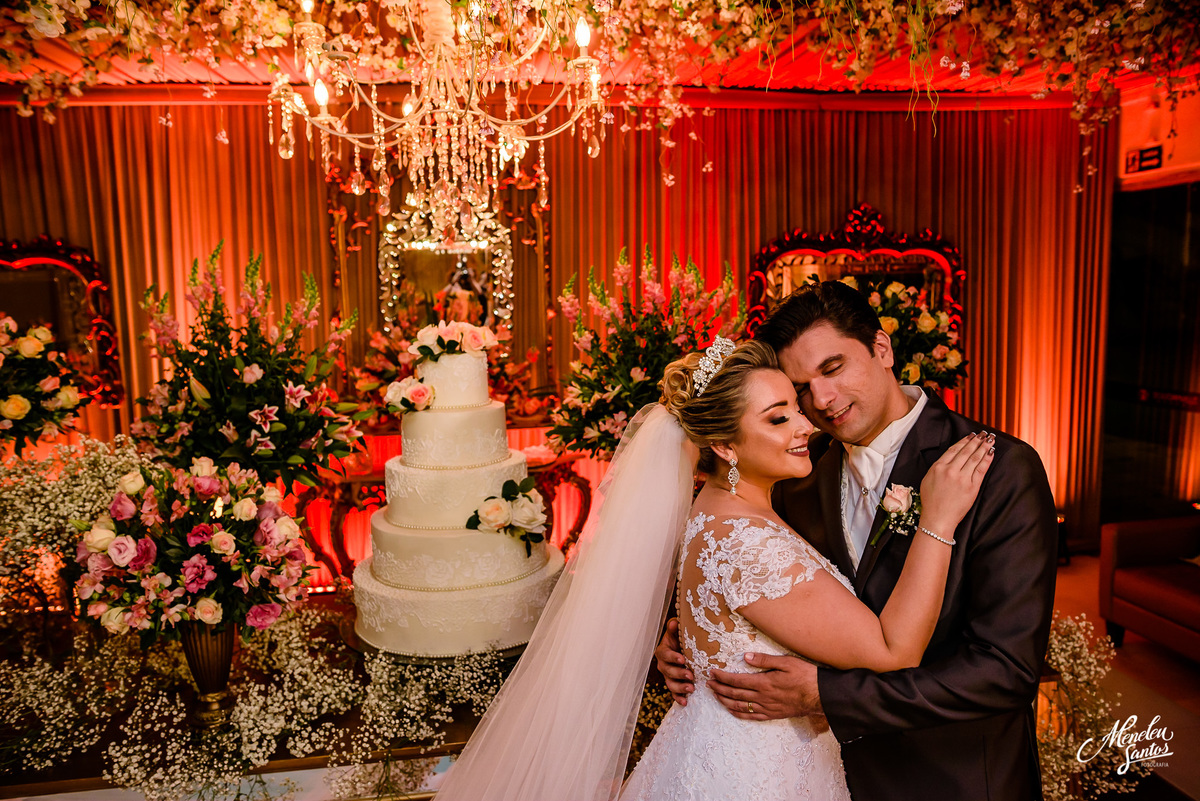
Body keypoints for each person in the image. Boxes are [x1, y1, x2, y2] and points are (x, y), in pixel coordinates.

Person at [437, 335, 993, 801]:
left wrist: (694, 642)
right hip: (757, 774)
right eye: (779, 418)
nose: (807, 424)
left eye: (796, 408)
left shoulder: (716, 509)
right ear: (725, 445)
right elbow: (893, 650)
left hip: (718, 750)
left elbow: (729, 611)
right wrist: (936, 519)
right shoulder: (745, 540)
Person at [656, 280, 1059, 800]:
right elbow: (757, 585)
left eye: (833, 368)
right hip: (824, 777)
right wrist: (694, 642)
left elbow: (1006, 671)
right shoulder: (795, 470)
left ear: (882, 348)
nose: (821, 401)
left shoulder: (994, 468)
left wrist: (829, 696)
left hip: (951, 779)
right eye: (800, 387)